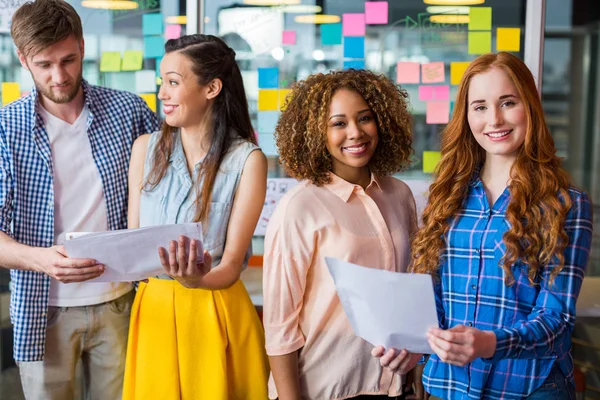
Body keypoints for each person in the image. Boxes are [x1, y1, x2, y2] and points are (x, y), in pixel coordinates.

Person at [373, 52, 594, 400]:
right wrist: (414, 343)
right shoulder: (446, 195)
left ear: (530, 107)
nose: (494, 119)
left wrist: (490, 343)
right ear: (466, 116)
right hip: (450, 386)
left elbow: (557, 318)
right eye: (480, 107)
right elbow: (434, 296)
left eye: (507, 102)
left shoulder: (567, 203)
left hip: (529, 387)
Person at [0, 0, 159, 399]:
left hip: (123, 302)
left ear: (83, 46)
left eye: (68, 60)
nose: (59, 76)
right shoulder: (5, 128)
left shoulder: (129, 112)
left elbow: (171, 188)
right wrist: (41, 259)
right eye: (44, 64)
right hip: (43, 309)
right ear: (22, 58)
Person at [122, 34, 269, 400]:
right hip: (153, 308)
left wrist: (196, 281)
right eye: (162, 82)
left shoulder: (247, 161)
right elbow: (132, 240)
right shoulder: (145, 149)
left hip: (214, 306)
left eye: (173, 82)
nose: (163, 94)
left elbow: (233, 262)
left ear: (212, 88)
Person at [263, 69, 419, 400]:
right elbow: (279, 326)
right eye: (338, 123)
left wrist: (415, 371)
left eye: (365, 118)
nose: (355, 133)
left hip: (394, 385)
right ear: (316, 132)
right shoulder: (299, 207)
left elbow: (411, 288)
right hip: (324, 388)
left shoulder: (399, 195)